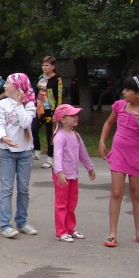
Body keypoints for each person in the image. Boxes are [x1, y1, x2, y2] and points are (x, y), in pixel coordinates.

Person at [99, 75, 139, 248]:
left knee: (136, 194)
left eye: (128, 90)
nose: (123, 92)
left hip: (136, 157)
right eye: (124, 89)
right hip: (119, 154)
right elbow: (108, 123)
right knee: (116, 192)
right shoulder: (119, 106)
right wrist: (102, 141)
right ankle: (112, 233)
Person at [0, 73, 38, 239]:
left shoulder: (29, 104)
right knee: (6, 189)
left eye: (7, 83)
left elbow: (26, 123)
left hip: (25, 152)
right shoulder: (2, 104)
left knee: (23, 189)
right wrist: (3, 137)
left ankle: (22, 222)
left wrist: (20, 104)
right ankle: (6, 225)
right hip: (7, 152)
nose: (4, 86)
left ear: (18, 86)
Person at [51, 104, 95, 242]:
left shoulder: (76, 135)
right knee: (61, 204)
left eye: (76, 115)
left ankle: (70, 229)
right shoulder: (59, 136)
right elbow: (57, 155)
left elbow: (83, 154)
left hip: (73, 175)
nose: (76, 118)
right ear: (63, 119)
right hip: (62, 176)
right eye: (72, 115)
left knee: (71, 203)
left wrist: (90, 167)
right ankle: (61, 231)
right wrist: (59, 172)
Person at [33, 55, 62, 169]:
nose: (44, 67)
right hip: (40, 109)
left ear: (53, 66)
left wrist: (58, 111)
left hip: (51, 110)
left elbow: (59, 95)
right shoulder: (41, 77)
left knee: (50, 134)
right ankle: (37, 150)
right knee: (33, 128)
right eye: (43, 65)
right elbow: (37, 92)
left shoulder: (57, 79)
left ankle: (50, 158)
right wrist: (35, 104)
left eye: (47, 65)